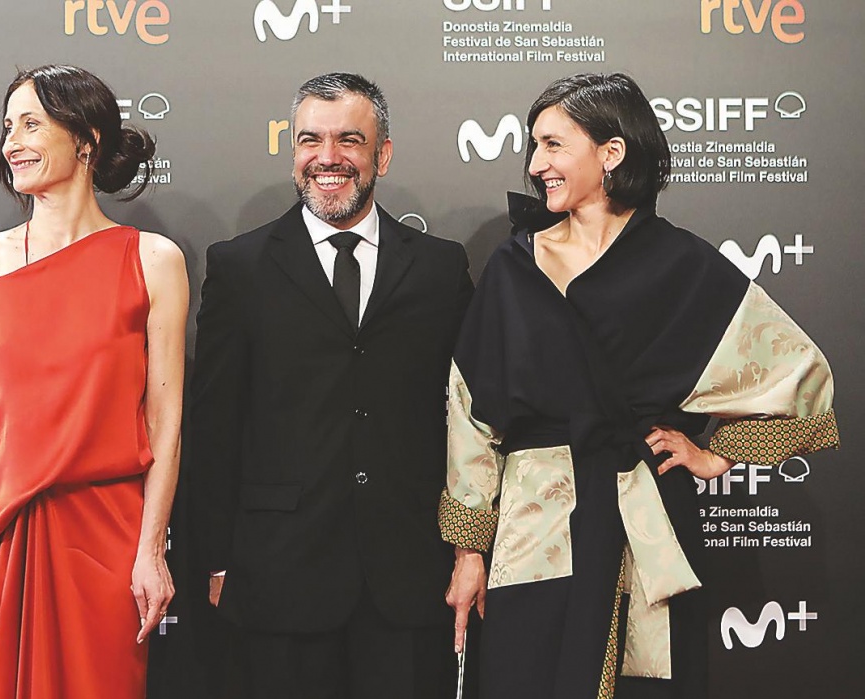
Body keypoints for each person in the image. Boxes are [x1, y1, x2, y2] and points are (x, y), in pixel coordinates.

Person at [441, 72, 839, 699]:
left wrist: (716, 453)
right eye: (534, 145)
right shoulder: (513, 266)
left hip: (644, 517)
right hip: (535, 525)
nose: (535, 164)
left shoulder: (682, 264)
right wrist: (469, 552)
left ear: (611, 152)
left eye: (553, 144)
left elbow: (800, 376)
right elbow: (471, 414)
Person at [190, 72, 473, 699]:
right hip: (277, 572)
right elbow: (213, 426)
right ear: (293, 151)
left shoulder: (440, 268)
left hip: (409, 573)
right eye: (310, 140)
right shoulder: (240, 267)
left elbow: (467, 422)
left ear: (382, 155)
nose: (328, 158)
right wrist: (213, 559)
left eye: (349, 140)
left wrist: (468, 547)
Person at [0, 64, 188, 698]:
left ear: (86, 140)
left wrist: (151, 549)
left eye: (31, 125)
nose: (11, 142)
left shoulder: (153, 260)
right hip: (0, 538)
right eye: (8, 127)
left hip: (106, 542)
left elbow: (165, 421)